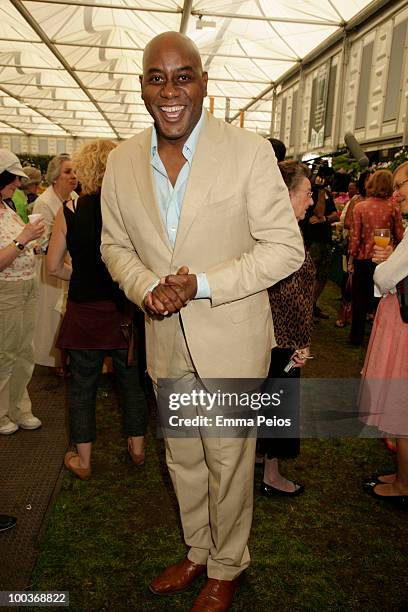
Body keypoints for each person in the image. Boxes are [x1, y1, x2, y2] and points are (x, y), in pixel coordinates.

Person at [100, 32, 304, 611]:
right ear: (142, 87)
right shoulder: (119, 162)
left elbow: (283, 249)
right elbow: (116, 248)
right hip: (165, 340)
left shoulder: (247, 152)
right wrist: (147, 289)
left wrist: (202, 285)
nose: (170, 91)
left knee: (229, 458)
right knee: (183, 456)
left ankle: (228, 564)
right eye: (156, 78)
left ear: (203, 83)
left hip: (231, 339)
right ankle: (197, 551)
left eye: (182, 76)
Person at [47, 140, 148, 480]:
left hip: (84, 312)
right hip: (123, 312)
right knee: (131, 383)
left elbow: (53, 266)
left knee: (82, 387)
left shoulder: (69, 211)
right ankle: (137, 448)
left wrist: (82, 275)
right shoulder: (131, 212)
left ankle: (84, 460)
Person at [257, 161, 315, 497]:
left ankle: (261, 456)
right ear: (286, 194)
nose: (310, 201)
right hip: (282, 339)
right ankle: (272, 475)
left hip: (270, 336)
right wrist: (300, 344)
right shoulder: (284, 236)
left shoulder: (276, 230)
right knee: (278, 403)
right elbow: (289, 298)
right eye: (306, 194)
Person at [359, 161, 408, 510]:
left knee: (399, 406)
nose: (397, 191)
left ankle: (404, 483)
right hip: (399, 319)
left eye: (403, 184)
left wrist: (383, 266)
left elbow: (388, 278)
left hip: (402, 326)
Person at [0, 150, 45, 435]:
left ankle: (19, 408)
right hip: (7, 291)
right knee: (5, 353)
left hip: (26, 286)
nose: (18, 183)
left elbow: (18, 247)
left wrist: (33, 244)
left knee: (24, 352)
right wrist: (23, 240)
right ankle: (2, 412)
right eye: (13, 178)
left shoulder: (7, 208)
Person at [32, 154, 78, 373]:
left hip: (71, 264)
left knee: (67, 313)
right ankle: (54, 361)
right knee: (51, 314)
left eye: (75, 171)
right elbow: (41, 242)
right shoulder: (44, 203)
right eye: (68, 172)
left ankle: (66, 358)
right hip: (50, 268)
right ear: (54, 177)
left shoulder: (75, 198)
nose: (73, 176)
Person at [348, 170, 404, 345]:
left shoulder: (360, 207)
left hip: (363, 259)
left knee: (359, 299)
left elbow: (355, 237)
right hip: (385, 259)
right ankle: (378, 338)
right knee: (381, 300)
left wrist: (351, 258)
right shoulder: (393, 208)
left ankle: (356, 337)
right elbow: (400, 236)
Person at [301, 166, 338, 320]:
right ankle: (305, 308)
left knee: (322, 276)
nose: (324, 180)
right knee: (309, 276)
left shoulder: (328, 193)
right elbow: (319, 212)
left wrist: (324, 220)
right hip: (312, 241)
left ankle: (312, 305)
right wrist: (321, 192)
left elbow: (335, 215)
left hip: (325, 240)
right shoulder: (310, 193)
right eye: (322, 176)